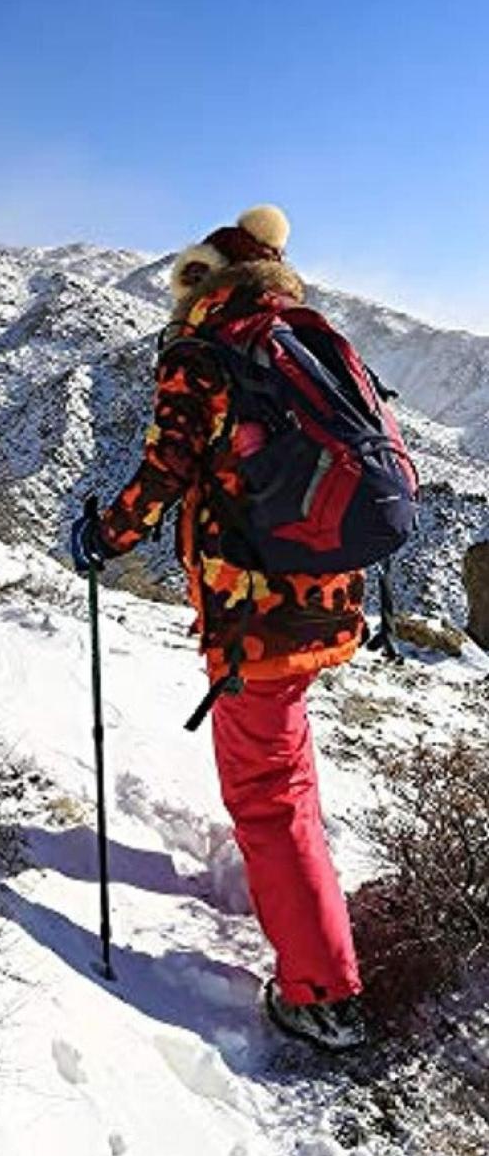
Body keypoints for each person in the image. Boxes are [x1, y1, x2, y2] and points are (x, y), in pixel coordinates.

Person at [71, 205, 368, 1052]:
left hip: (255, 615)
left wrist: (105, 537)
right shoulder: (306, 339)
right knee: (288, 776)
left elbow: (168, 468)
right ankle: (320, 938)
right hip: (326, 594)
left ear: (202, 283)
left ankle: (323, 994)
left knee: (269, 797)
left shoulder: (209, 350)